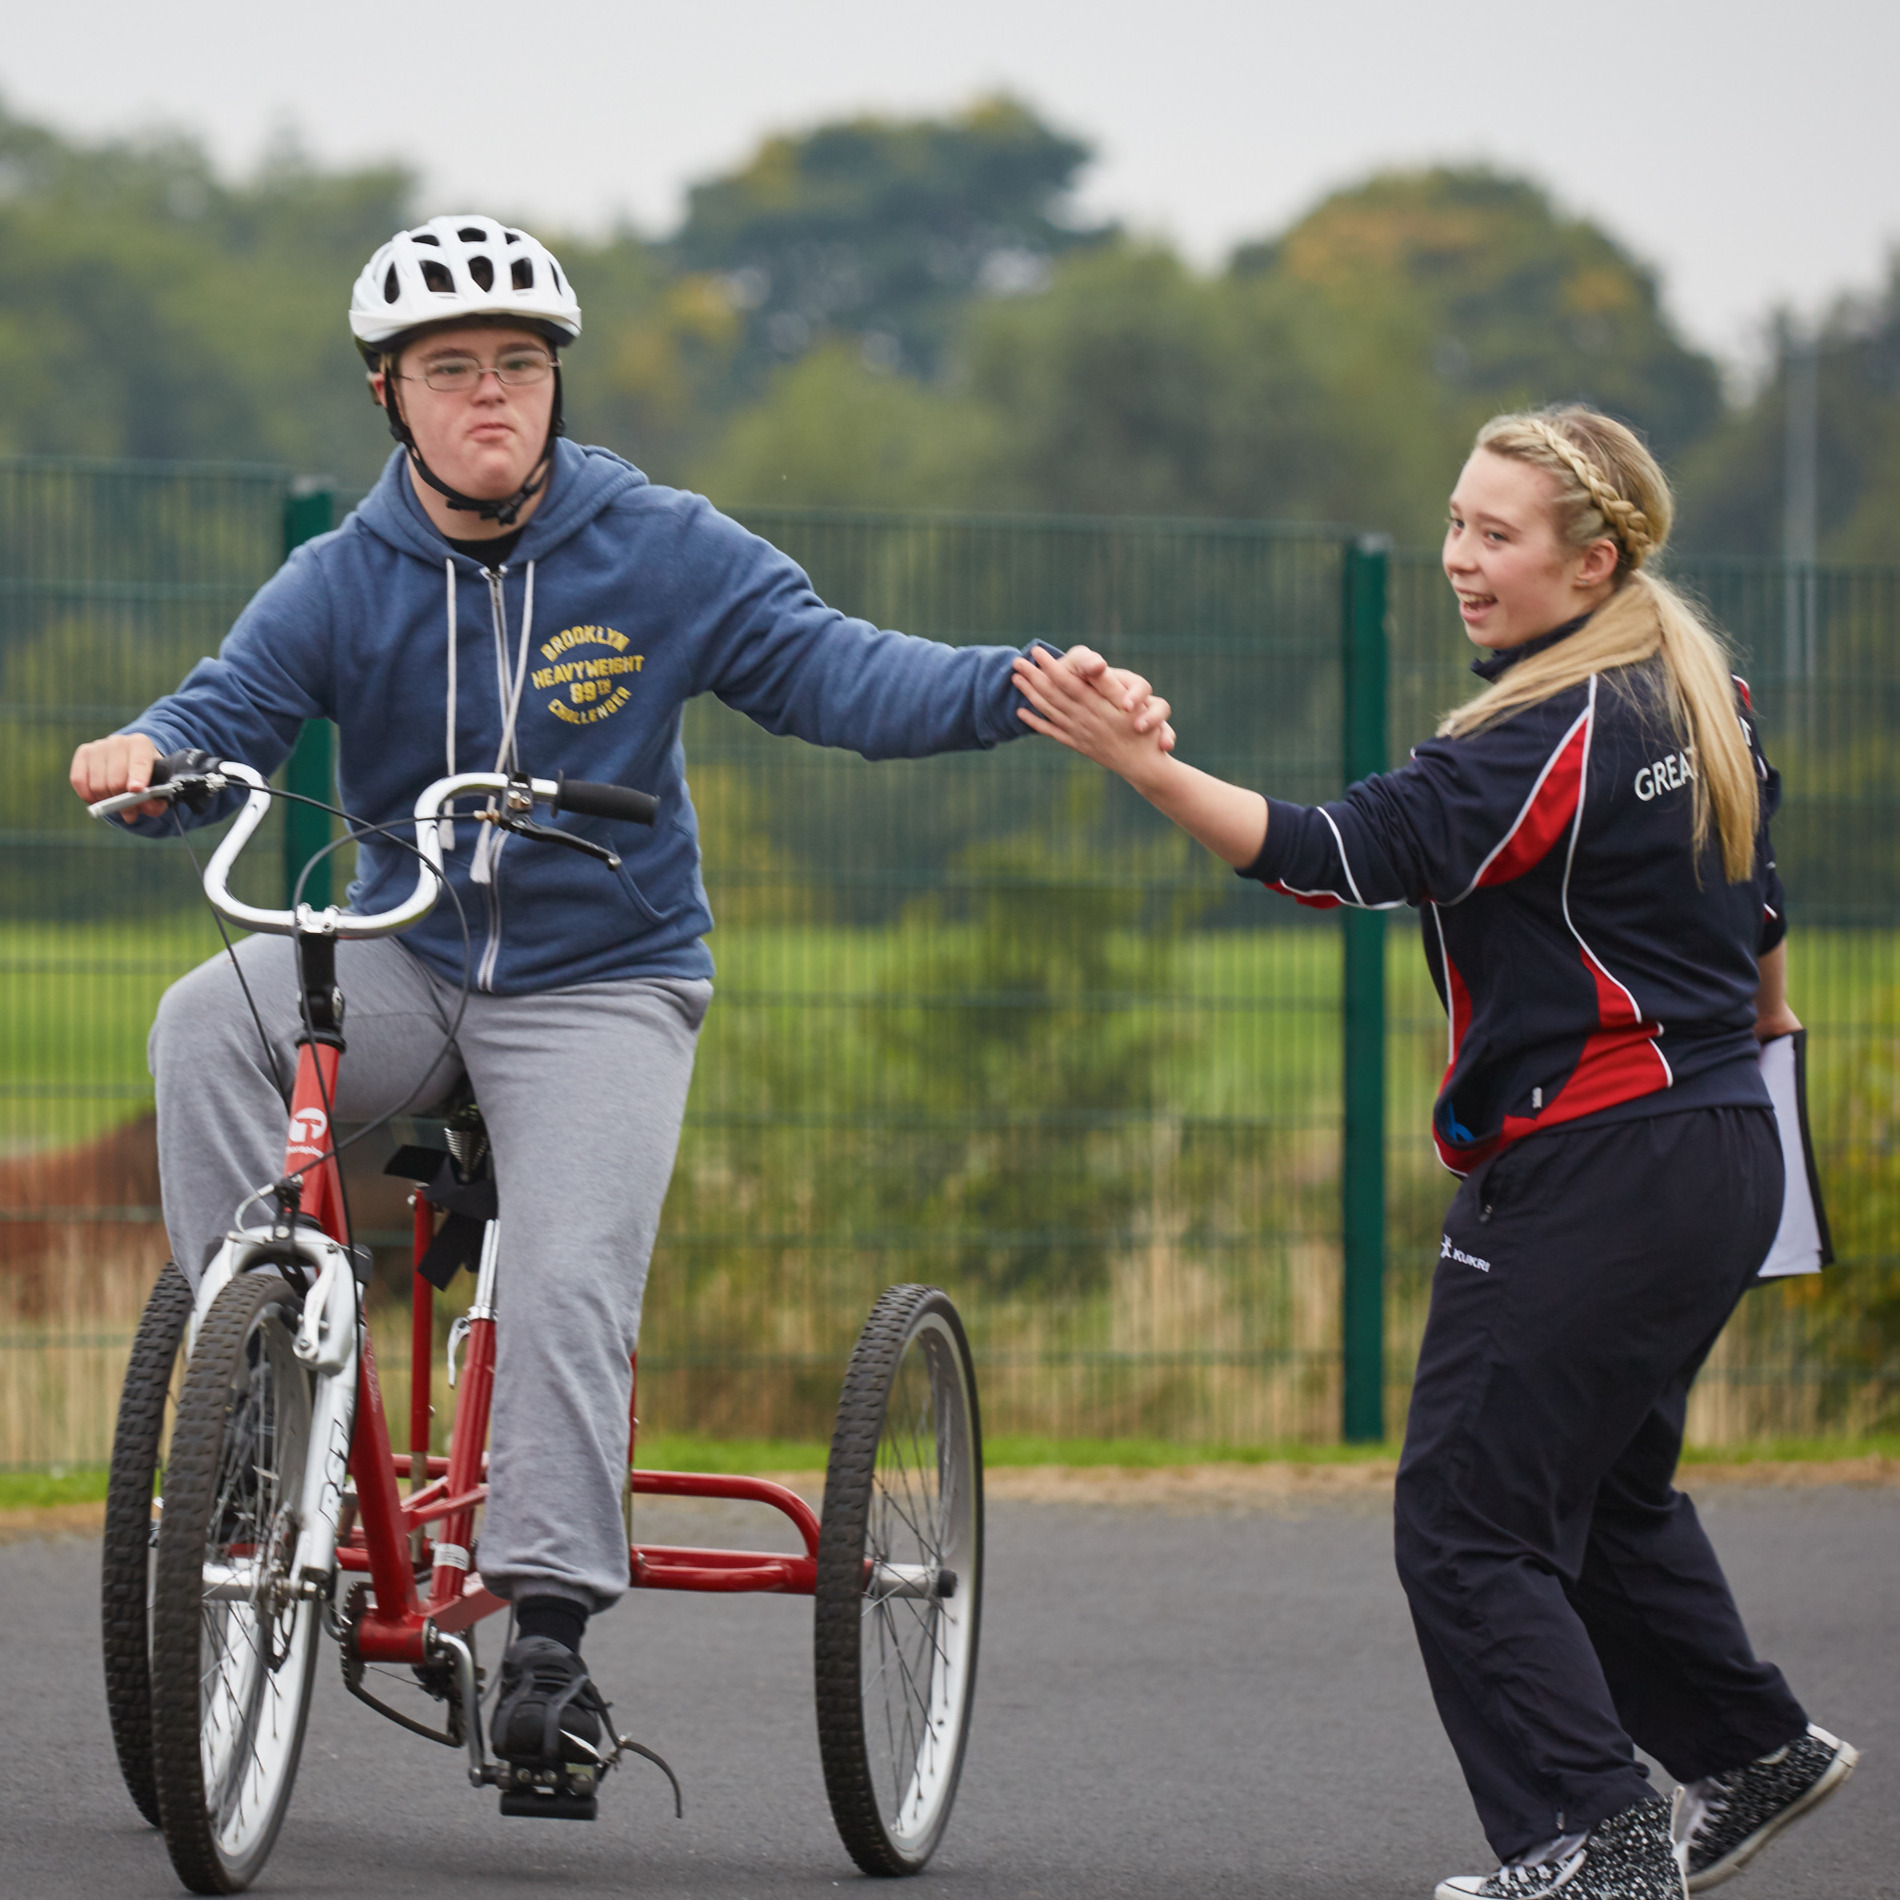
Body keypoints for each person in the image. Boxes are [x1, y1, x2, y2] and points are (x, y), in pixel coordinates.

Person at [68, 214, 1165, 1792]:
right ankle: (263, 1392)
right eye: (453, 370)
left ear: (556, 384)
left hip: (605, 981)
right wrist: (146, 761)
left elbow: (837, 670)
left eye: (519, 365)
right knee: (205, 1020)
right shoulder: (341, 577)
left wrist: (1018, 688)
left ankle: (550, 1651)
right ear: (390, 395)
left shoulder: (658, 545)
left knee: (572, 1276)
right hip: (409, 949)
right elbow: (216, 719)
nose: (492, 395)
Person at [1010, 406, 1858, 1900]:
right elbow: (1763, 930)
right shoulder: (1699, 687)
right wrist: (1764, 1129)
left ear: (1594, 560)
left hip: (1603, 1163)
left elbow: (1327, 858)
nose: (1460, 559)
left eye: (1499, 534)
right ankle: (1749, 1753)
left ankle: (1590, 1842)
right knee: (1600, 1498)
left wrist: (1137, 762)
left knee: (1467, 1521)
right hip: (1723, 1142)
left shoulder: (1546, 736)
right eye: (1456, 521)